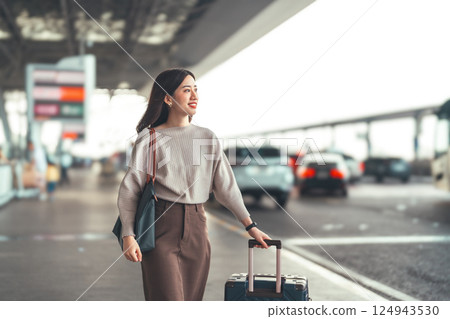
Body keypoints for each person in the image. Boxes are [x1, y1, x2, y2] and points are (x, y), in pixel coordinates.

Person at [117, 68, 271, 301]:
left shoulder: (207, 137)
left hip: (198, 227)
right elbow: (131, 190)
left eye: (196, 90)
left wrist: (250, 226)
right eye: (186, 90)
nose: (194, 96)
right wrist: (128, 235)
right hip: (160, 225)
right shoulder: (149, 138)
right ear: (168, 98)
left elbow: (226, 187)